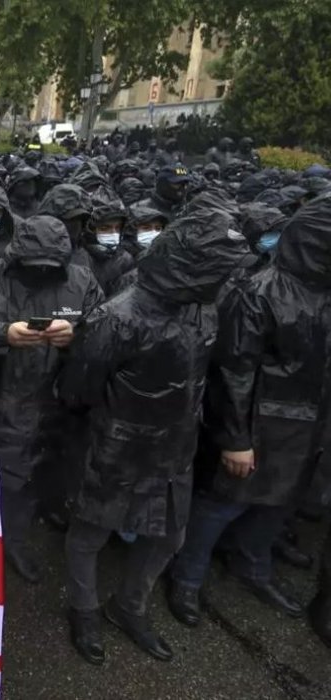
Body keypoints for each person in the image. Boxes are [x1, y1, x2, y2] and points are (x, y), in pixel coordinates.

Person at [57, 209, 245, 666]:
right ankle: (84, 609)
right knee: (90, 534)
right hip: (117, 445)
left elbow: (212, 375)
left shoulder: (204, 307)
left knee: (167, 537)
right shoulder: (118, 317)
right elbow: (77, 387)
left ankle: (129, 606)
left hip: (177, 445)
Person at [169, 195, 331, 627]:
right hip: (261, 423)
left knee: (277, 504)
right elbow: (234, 372)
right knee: (222, 504)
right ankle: (187, 578)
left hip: (310, 425)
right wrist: (235, 439)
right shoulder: (259, 291)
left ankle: (253, 565)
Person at [0, 215, 104, 583]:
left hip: (60, 399)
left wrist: (76, 335)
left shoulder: (82, 281)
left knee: (37, 480)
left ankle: (14, 539)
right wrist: (2, 334)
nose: (42, 272)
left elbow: (106, 330)